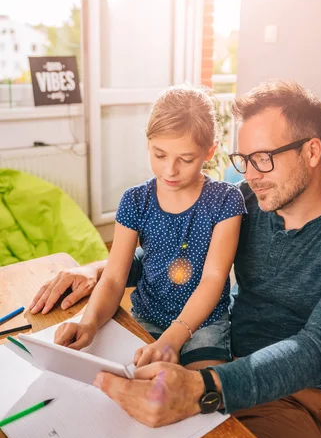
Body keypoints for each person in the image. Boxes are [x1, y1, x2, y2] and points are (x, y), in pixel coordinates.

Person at [30, 80, 321, 438]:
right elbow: (176, 259)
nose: (250, 176)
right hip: (215, 355)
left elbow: (319, 352)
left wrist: (202, 387)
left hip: (295, 397)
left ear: (311, 151)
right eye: (243, 160)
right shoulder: (249, 201)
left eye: (263, 158)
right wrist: (98, 271)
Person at [42, 85, 246, 370]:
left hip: (205, 325)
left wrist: (174, 337)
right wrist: (87, 323)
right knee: (132, 385)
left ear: (209, 151)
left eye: (185, 159)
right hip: (148, 319)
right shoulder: (135, 200)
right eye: (159, 155)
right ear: (148, 144)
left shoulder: (225, 201)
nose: (170, 170)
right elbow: (114, 277)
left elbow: (213, 278)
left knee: (199, 395)